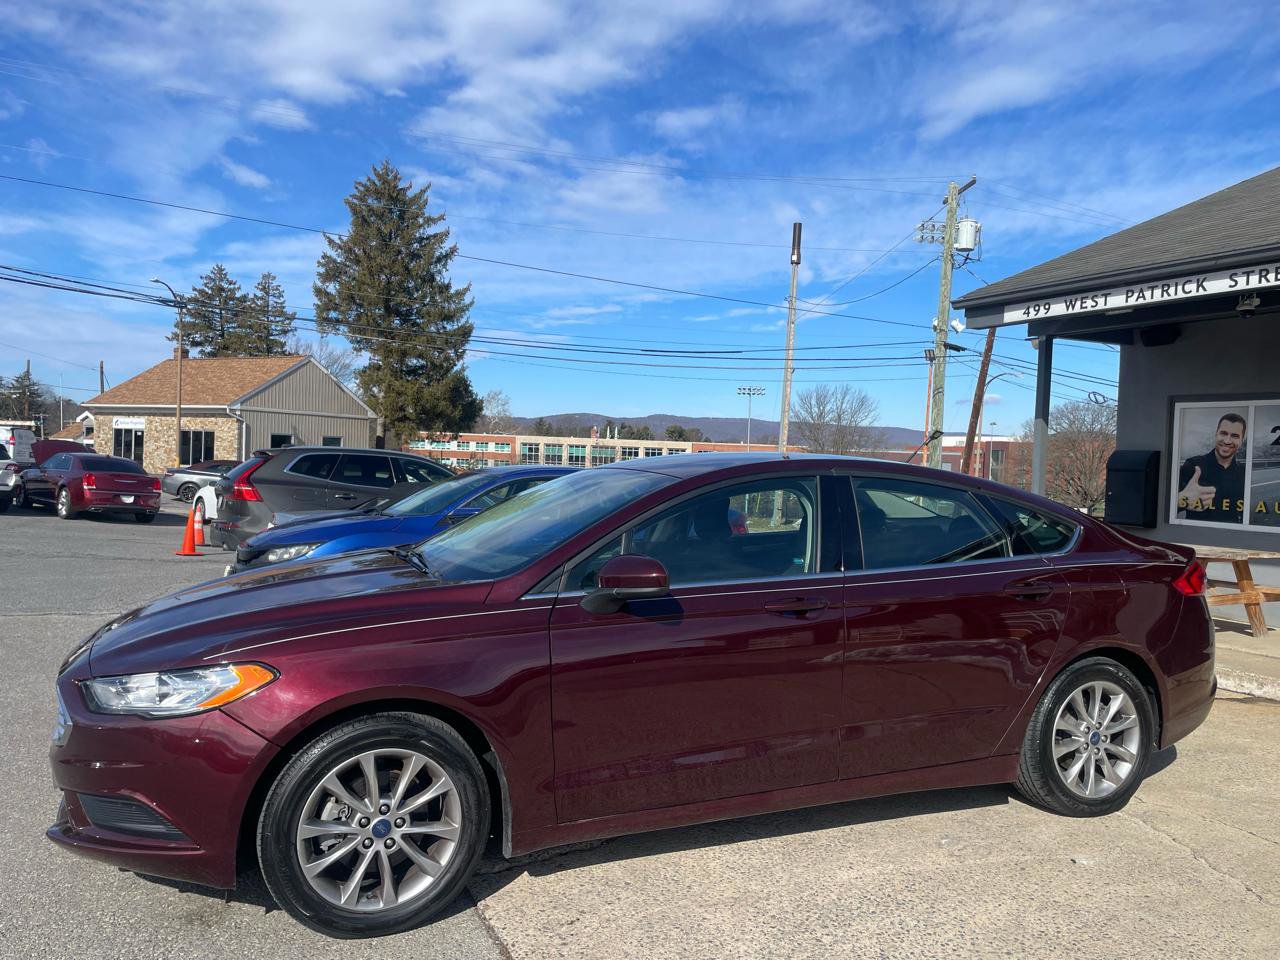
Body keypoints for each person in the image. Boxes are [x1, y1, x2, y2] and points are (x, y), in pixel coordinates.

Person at [1177, 413, 1246, 523]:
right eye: (1223, 433)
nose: (1227, 441)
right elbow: (1163, 506)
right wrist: (1179, 500)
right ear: (1216, 434)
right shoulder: (1193, 465)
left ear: (1242, 441)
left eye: (1235, 436)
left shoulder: (1243, 472)